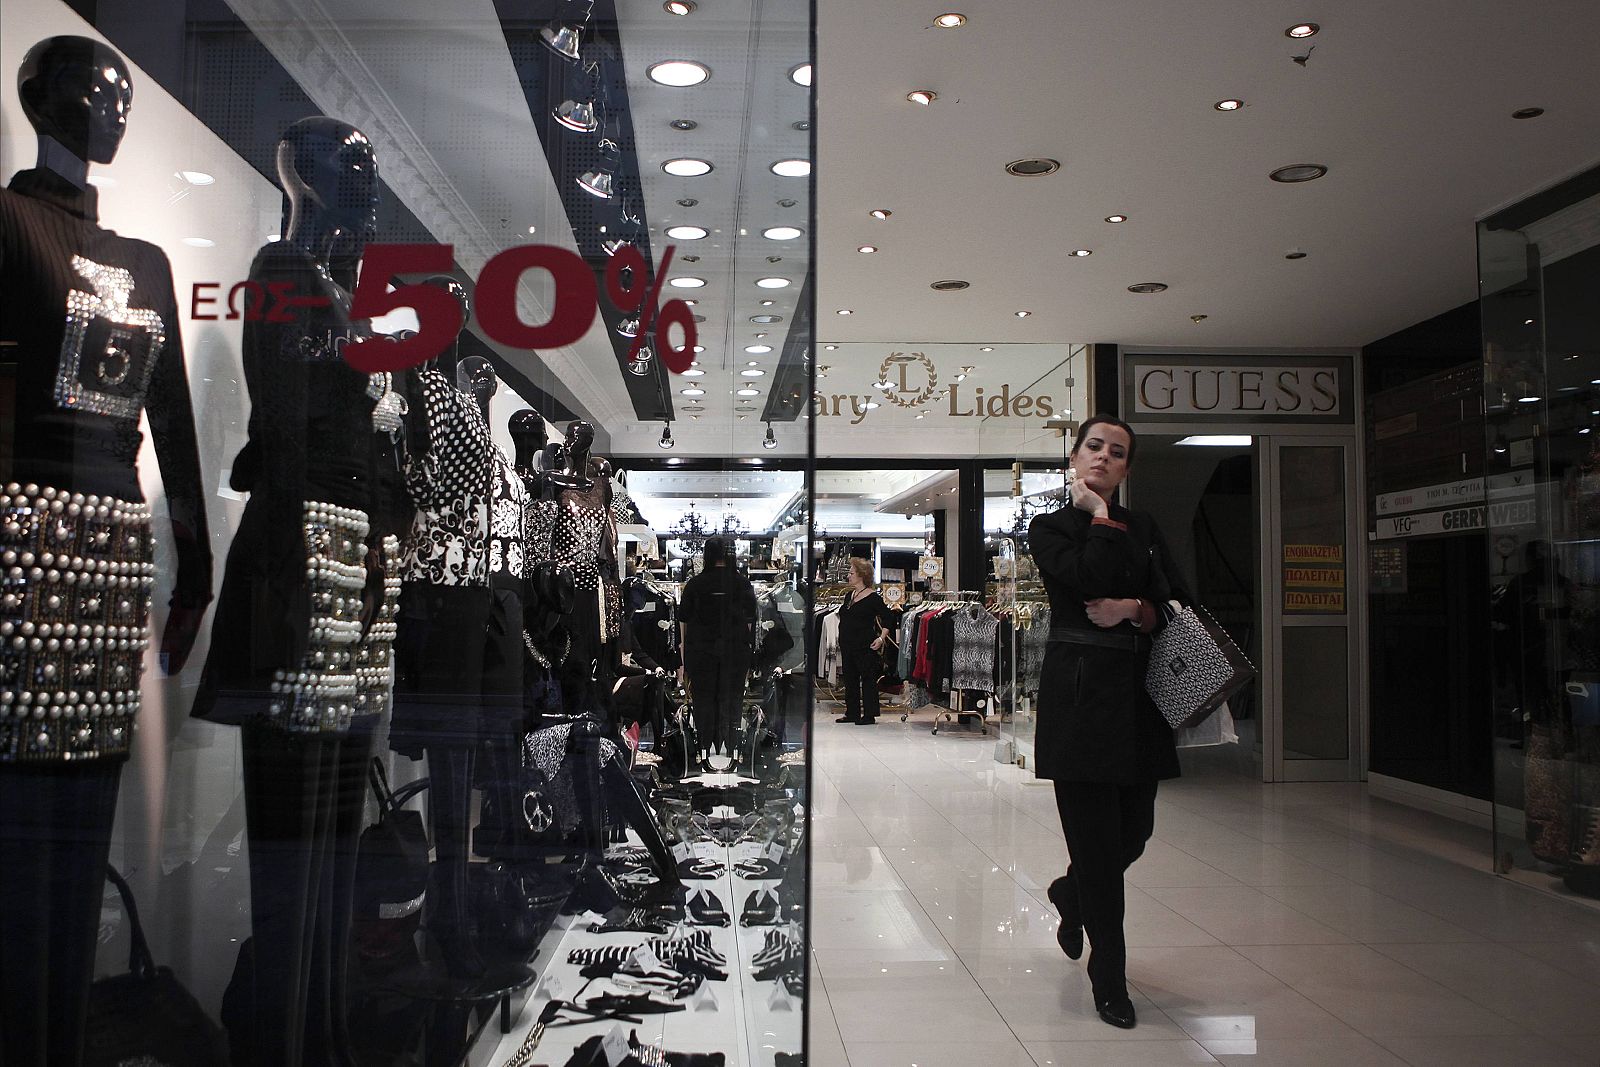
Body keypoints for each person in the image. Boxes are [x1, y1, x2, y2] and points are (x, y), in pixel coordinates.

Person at [1027, 415, 1190, 1031]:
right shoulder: (1049, 528)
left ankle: (1071, 895)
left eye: (1116, 453)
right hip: (1078, 699)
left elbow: (1180, 601)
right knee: (1096, 849)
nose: (1103, 457)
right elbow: (1085, 579)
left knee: (1134, 834)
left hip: (1139, 699)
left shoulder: (1145, 528)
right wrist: (1096, 513)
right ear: (1075, 456)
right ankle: (1110, 978)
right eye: (1093, 447)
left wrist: (1138, 610)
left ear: (1126, 468)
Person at [678, 535, 758, 764]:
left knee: (704, 698)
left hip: (701, 650)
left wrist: (684, 659)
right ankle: (731, 745)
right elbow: (751, 621)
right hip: (735, 650)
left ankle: (704, 745)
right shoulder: (742, 583)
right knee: (731, 698)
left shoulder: (695, 584)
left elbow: (684, 620)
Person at [835, 558, 896, 725]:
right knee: (849, 678)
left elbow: (889, 618)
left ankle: (869, 714)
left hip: (864, 644)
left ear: (862, 575)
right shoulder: (849, 596)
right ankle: (852, 712)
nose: (848, 576)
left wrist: (881, 638)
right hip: (847, 644)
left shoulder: (873, 598)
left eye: (851, 573)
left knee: (868, 678)